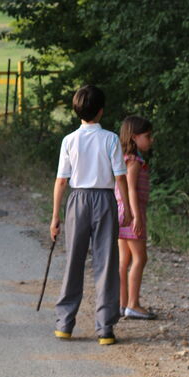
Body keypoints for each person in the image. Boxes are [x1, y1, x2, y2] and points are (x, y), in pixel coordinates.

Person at [50, 84, 131, 345]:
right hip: (105, 200)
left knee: (74, 260)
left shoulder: (69, 140)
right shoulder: (110, 139)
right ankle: (105, 327)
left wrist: (55, 216)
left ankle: (65, 323)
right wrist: (126, 207)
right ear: (101, 111)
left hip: (77, 200)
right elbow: (120, 176)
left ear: (77, 110)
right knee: (106, 263)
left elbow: (61, 181)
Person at [116, 115, 156, 320]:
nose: (151, 140)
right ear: (134, 137)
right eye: (147, 136)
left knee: (124, 259)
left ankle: (122, 304)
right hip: (131, 213)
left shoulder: (122, 159)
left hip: (121, 213)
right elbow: (131, 189)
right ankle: (133, 304)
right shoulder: (134, 162)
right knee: (140, 257)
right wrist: (137, 217)